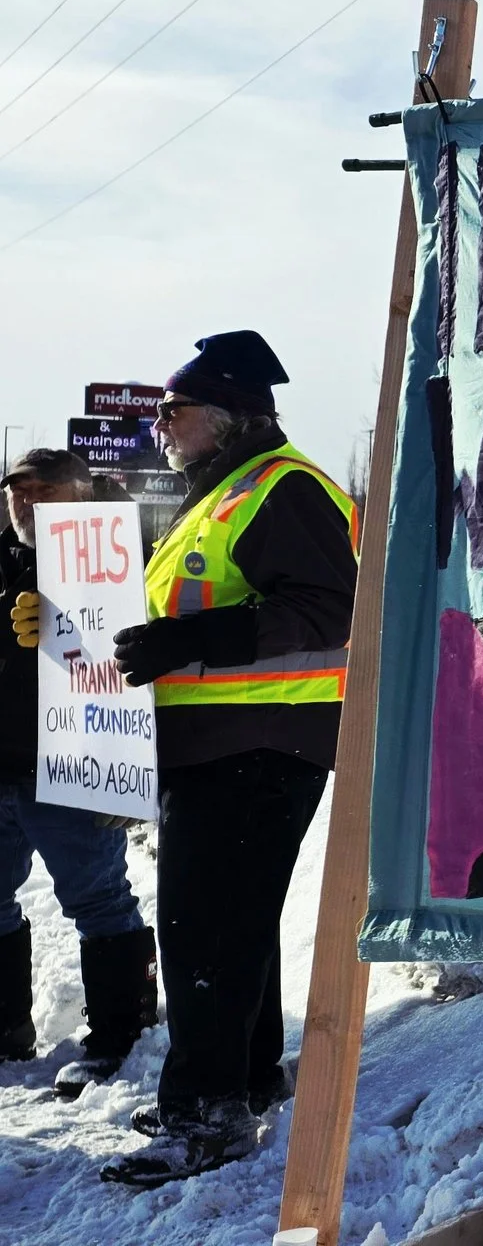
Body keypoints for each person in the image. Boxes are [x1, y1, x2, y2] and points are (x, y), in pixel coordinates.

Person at [100, 331, 356, 1188]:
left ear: (227, 414)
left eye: (173, 410)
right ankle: (242, 1079)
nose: (161, 426)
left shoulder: (284, 489)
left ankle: (204, 1117)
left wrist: (193, 639)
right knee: (231, 922)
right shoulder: (220, 494)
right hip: (219, 744)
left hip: (260, 744)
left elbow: (329, 608)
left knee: (202, 929)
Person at [0, 449, 158, 1100]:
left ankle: (121, 1035)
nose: (26, 503)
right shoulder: (5, 559)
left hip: (72, 766)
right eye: (17, 492)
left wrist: (127, 769)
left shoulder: (120, 557)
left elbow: (133, 654)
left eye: (43, 490)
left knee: (98, 900)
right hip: (4, 766)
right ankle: (7, 1030)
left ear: (82, 493)